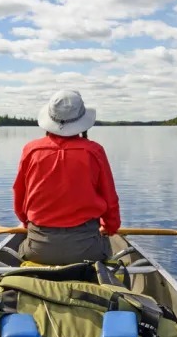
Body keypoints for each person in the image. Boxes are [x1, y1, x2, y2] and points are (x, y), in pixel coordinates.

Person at [12, 89, 121, 266]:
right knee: (107, 250)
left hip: (38, 249)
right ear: (82, 123)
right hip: (87, 250)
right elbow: (110, 200)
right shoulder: (95, 151)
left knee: (23, 249)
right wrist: (110, 227)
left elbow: (19, 195)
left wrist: (26, 222)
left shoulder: (30, 150)